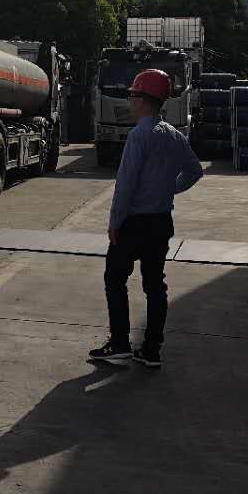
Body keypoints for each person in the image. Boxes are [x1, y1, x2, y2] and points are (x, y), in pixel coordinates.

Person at [88, 68, 203, 369]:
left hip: (134, 223)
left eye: (132, 95)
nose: (130, 100)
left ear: (143, 99)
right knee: (155, 285)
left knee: (115, 279)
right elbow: (195, 171)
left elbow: (125, 184)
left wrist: (115, 222)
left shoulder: (139, 135)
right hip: (161, 222)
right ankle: (151, 350)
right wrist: (169, 188)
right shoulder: (174, 135)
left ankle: (120, 344)